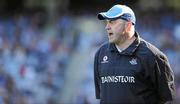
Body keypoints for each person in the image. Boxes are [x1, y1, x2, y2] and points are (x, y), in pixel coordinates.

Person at [94, 4, 176, 104]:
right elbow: (102, 96)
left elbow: (166, 99)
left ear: (128, 26)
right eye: (107, 22)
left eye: (112, 22)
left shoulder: (153, 56)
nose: (107, 27)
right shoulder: (100, 54)